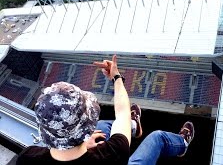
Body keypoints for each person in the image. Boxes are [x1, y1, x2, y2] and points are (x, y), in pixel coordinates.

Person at [16, 55, 194, 164]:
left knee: (102, 127)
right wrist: (116, 76)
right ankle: (182, 144)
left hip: (75, 145)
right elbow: (122, 111)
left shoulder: (27, 158)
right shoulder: (112, 153)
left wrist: (84, 144)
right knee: (158, 138)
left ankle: (133, 125)